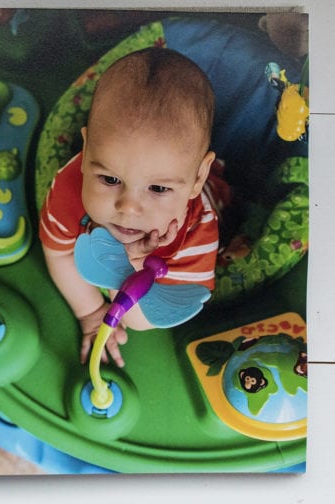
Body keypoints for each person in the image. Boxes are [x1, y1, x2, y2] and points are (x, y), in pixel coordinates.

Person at [39, 47, 225, 368]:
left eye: (158, 188)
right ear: (86, 151)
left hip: (220, 202)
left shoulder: (197, 231)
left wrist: (133, 268)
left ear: (198, 177)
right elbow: (57, 251)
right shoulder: (70, 185)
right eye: (110, 179)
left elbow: (144, 319)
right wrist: (90, 312)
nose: (128, 208)